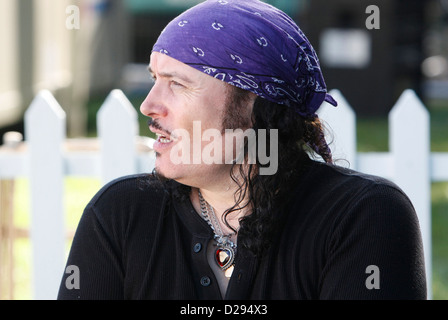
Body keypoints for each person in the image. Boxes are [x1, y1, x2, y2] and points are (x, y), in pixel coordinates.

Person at [58, 0, 426, 299]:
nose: (149, 105)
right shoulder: (122, 215)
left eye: (178, 84)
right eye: (155, 79)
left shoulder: (362, 217)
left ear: (255, 102)